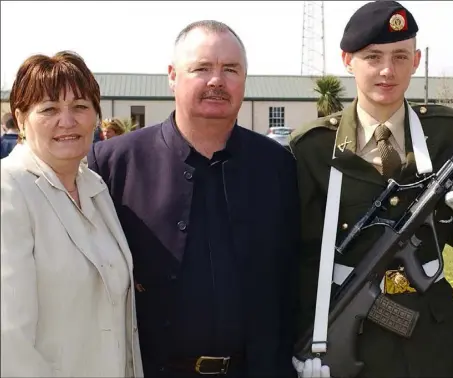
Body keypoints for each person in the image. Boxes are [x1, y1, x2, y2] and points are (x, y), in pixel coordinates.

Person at [290, 1, 453, 377]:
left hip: (429, 341)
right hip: (350, 333)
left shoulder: (448, 135)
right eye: (373, 57)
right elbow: (298, 258)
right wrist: (304, 342)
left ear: (416, 61)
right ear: (347, 60)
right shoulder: (314, 148)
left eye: (401, 56)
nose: (388, 70)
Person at [87, 20, 300, 377]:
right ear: (172, 76)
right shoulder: (112, 164)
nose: (217, 80)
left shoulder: (277, 165)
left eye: (230, 69)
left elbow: (291, 275)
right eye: (201, 68)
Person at [0, 51, 143, 377]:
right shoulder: (9, 189)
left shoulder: (94, 187)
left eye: (80, 107)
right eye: (49, 109)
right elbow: (9, 342)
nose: (68, 121)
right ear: (21, 119)